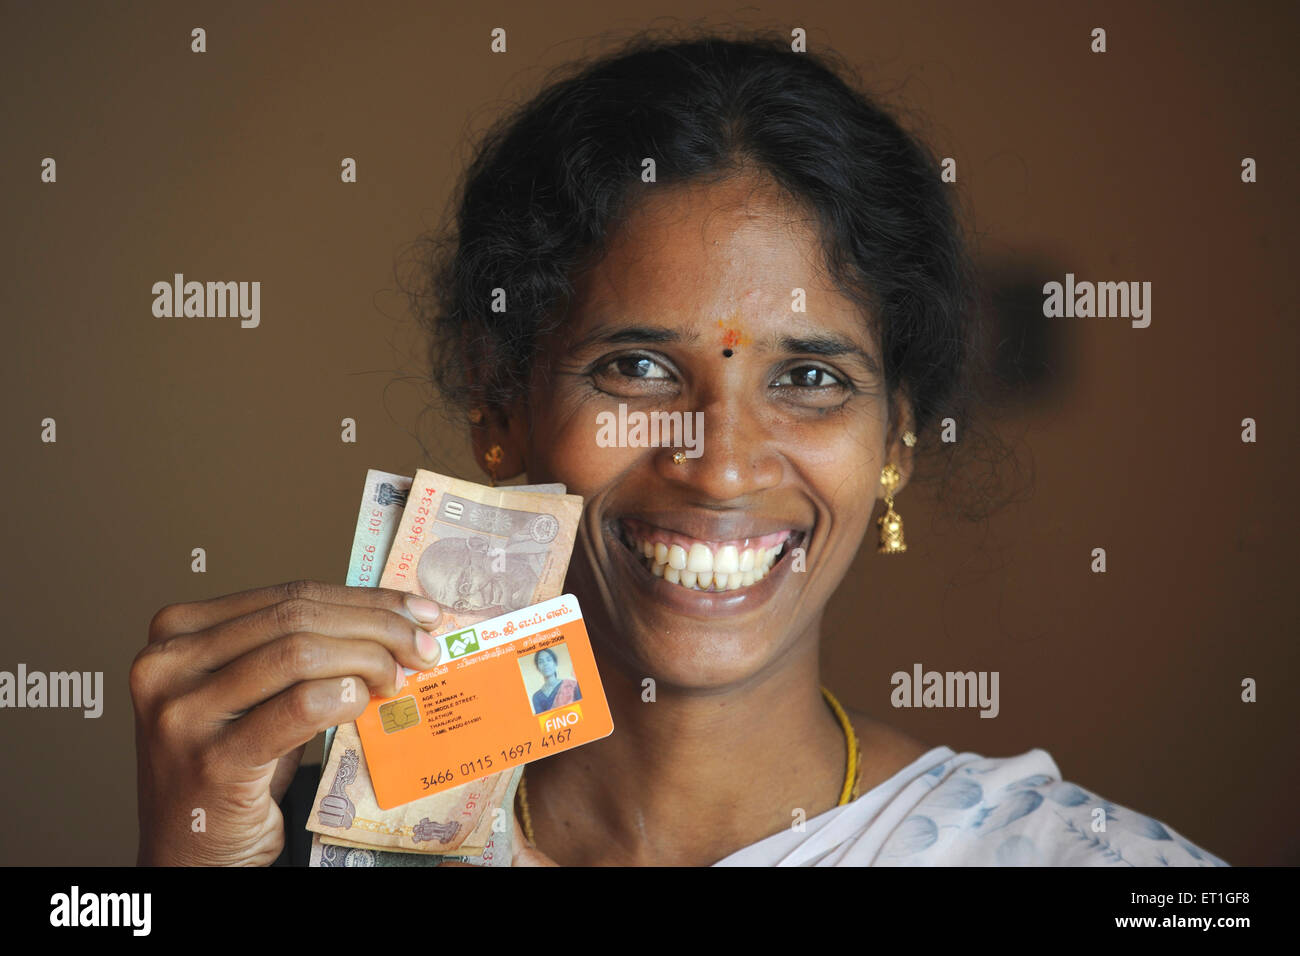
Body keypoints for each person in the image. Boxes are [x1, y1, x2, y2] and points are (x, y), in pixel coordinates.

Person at [131, 31, 1225, 867]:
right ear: (497, 396)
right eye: (639, 369)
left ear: (893, 441)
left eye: (809, 378)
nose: (719, 462)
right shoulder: (285, 833)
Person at [530, 648, 582, 715]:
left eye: (548, 660)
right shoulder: (537, 697)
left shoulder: (572, 685)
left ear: (555, 663)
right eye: (541, 662)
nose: (545, 664)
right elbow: (542, 721)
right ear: (538, 668)